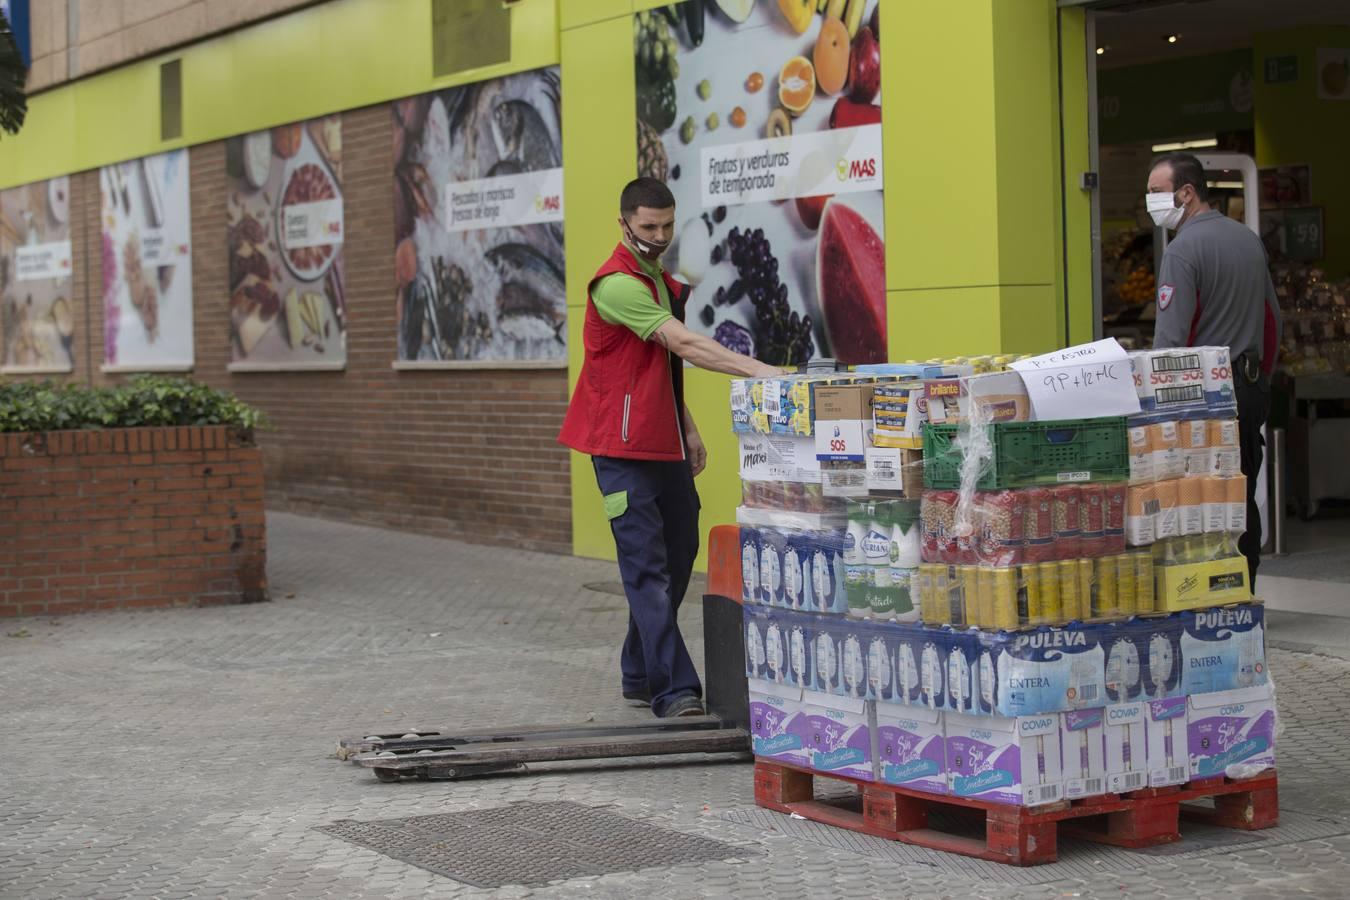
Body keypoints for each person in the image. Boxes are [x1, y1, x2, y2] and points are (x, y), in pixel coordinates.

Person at [558, 177, 785, 718]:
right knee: (647, 571)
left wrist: (688, 426)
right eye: (647, 228)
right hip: (619, 448)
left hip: (663, 444)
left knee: (680, 555)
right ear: (624, 224)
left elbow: (653, 367)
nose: (658, 237)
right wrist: (759, 372)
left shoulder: (658, 280)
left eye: (665, 226)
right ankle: (674, 690)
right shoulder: (616, 285)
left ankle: (638, 670)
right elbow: (680, 343)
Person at [1146, 152, 1282, 586]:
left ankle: (1208, 594)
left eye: (1155, 192)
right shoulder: (1248, 239)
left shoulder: (1182, 250)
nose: (1149, 201)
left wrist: (1158, 410)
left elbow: (1170, 343)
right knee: (1242, 492)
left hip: (1203, 400)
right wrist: (1261, 379)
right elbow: (1272, 320)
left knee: (1202, 501)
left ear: (1186, 193)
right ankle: (1247, 585)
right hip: (1249, 387)